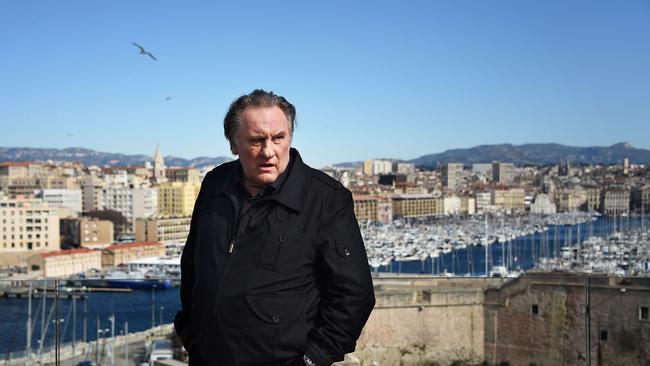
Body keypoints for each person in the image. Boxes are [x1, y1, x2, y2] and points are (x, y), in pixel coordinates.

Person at [174, 89, 375, 365]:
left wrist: (313, 359)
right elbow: (193, 264)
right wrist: (190, 333)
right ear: (233, 143)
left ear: (289, 137)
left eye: (278, 138)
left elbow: (355, 294)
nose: (269, 151)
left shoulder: (325, 199)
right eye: (256, 140)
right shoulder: (214, 184)